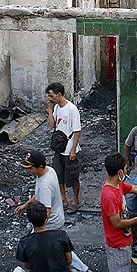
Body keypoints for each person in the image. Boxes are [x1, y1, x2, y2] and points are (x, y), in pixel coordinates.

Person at [15, 151, 93, 272]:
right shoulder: (49, 171)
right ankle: (84, 270)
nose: (28, 170)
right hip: (56, 218)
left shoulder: (45, 185)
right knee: (60, 246)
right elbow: (37, 194)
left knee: (52, 246)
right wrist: (26, 205)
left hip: (50, 222)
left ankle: (75, 271)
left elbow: (46, 211)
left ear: (39, 167)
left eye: (30, 168)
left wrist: (40, 231)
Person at [16, 201, 88, 272]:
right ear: (47, 218)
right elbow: (69, 261)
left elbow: (26, 267)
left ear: (30, 220)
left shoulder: (24, 242)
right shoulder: (61, 235)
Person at [47, 82, 82, 214]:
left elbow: (77, 130)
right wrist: (50, 110)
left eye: (52, 95)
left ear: (59, 94)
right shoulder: (57, 108)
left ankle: (75, 200)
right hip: (59, 148)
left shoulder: (72, 109)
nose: (50, 98)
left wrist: (73, 150)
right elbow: (52, 125)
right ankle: (64, 199)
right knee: (59, 174)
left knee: (72, 176)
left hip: (69, 149)